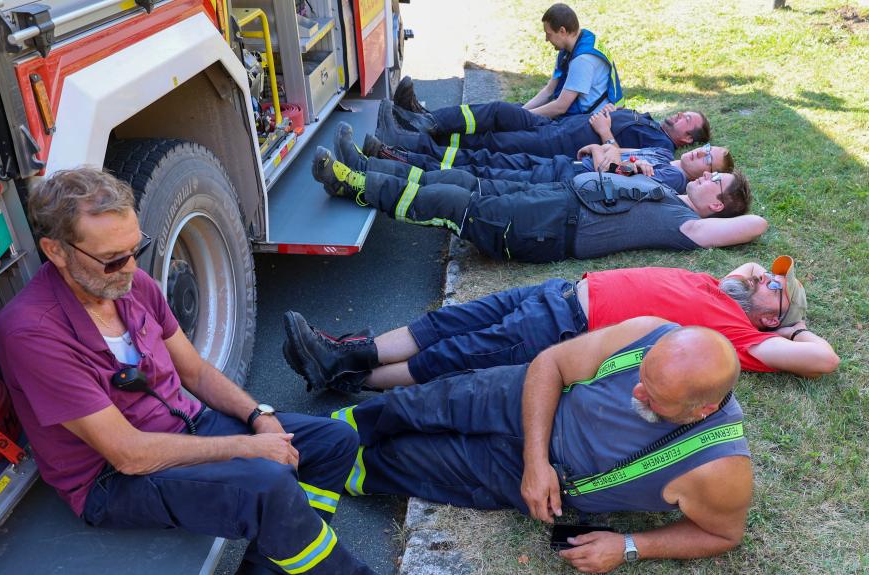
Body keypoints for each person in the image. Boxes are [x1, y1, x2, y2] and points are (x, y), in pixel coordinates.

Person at [0, 168, 373, 575]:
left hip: (187, 428)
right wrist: (248, 447)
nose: (128, 268)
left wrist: (258, 418)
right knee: (270, 485)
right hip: (113, 481)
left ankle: (286, 549)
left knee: (336, 441)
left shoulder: (131, 284)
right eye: (111, 260)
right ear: (56, 251)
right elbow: (129, 455)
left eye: (134, 249)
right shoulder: (31, 332)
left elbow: (195, 373)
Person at [328, 318, 753, 573]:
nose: (637, 392)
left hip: (518, 472)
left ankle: (316, 470)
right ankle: (312, 434)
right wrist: (536, 460)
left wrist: (630, 546)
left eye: (655, 397)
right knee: (403, 407)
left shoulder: (718, 469)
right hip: (522, 399)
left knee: (401, 463)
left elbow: (724, 534)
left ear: (702, 409)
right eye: (643, 375)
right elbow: (550, 364)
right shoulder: (647, 332)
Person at [281, 256, 840, 392]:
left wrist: (789, 331)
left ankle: (344, 374)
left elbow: (824, 359)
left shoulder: (739, 336)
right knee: (447, 323)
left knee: (454, 356)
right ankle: (341, 352)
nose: (763, 272)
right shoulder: (719, 289)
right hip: (559, 292)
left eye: (774, 284)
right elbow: (743, 270)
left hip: (567, 325)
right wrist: (759, 283)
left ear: (771, 316)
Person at [311, 145, 764, 264]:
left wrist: (746, 210)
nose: (704, 175)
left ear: (718, 208)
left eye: (714, 181)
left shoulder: (690, 226)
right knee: (466, 180)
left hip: (550, 226)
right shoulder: (668, 190)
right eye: (710, 170)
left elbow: (756, 224)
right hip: (556, 196)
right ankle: (368, 168)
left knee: (453, 202)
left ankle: (350, 184)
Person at [336, 121, 731, 193]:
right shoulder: (663, 157)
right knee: (475, 164)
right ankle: (389, 154)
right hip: (561, 166)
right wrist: (603, 149)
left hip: (560, 181)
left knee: (472, 174)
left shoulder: (671, 177)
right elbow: (608, 152)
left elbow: (609, 168)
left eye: (709, 159)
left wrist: (603, 150)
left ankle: (377, 164)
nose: (703, 154)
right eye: (708, 148)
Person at [394, 4, 622, 120]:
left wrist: (523, 117)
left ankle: (429, 121)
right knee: (500, 110)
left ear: (563, 31)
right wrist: (521, 111)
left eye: (549, 34)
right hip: (570, 115)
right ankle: (429, 117)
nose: (546, 39)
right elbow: (550, 89)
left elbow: (561, 106)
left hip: (576, 122)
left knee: (499, 116)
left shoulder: (583, 60)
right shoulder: (574, 46)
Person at [377, 101, 708, 169]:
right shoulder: (651, 122)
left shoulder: (661, 146)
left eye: (685, 119)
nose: (679, 114)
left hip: (556, 146)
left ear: (687, 139)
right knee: (498, 111)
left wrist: (607, 132)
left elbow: (621, 163)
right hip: (553, 126)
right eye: (683, 112)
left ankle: (409, 141)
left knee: (492, 142)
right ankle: (426, 120)